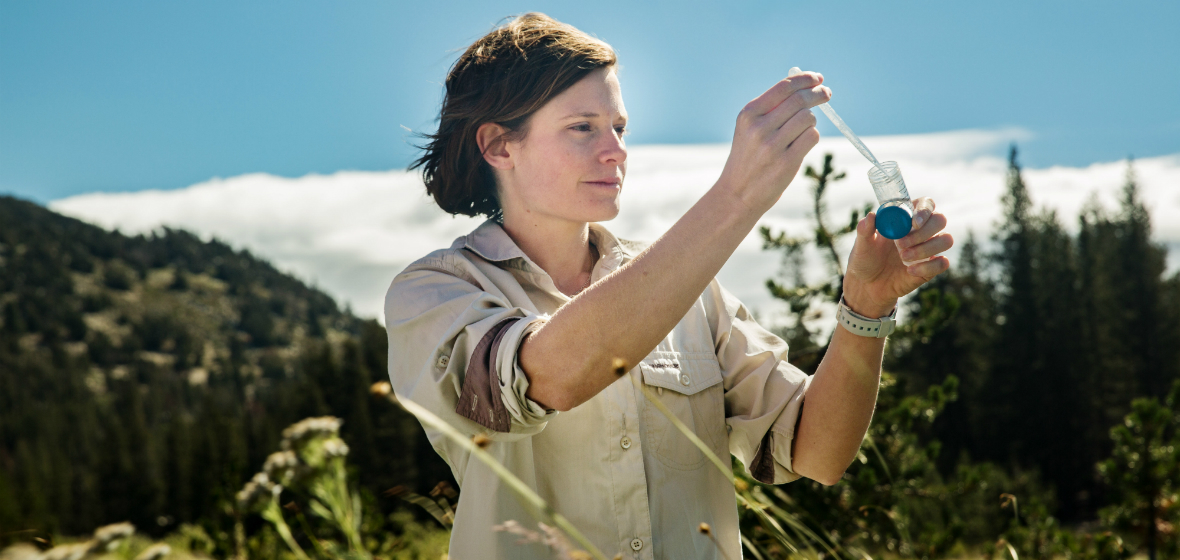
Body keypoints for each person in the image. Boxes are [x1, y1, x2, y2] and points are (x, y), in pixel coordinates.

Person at [385, 12, 952, 560]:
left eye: (619, 127)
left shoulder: (692, 293)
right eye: (582, 127)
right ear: (499, 146)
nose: (615, 150)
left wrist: (867, 306)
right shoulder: (433, 293)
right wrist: (737, 196)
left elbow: (817, 452)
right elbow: (549, 377)